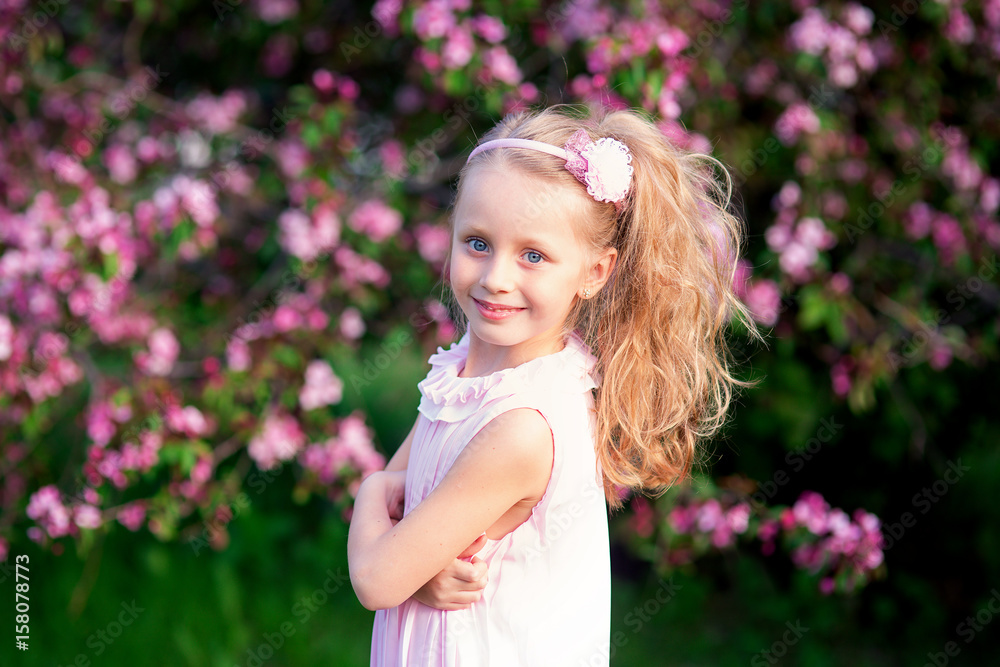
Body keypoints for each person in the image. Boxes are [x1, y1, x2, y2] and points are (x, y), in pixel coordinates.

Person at [347, 104, 759, 666]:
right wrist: (414, 565)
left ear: (595, 272)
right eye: (477, 242)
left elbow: (376, 576)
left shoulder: (522, 428)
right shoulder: (468, 371)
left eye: (533, 255)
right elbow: (407, 499)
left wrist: (370, 493)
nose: (496, 277)